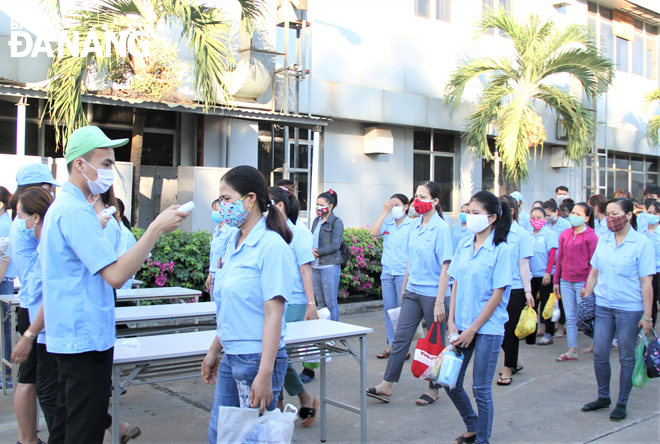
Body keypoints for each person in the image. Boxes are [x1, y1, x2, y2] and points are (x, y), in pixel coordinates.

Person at [41, 126, 187, 444]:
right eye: (105, 163)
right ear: (80, 164)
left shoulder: (65, 209)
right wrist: (155, 230)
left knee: (67, 425)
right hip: (85, 337)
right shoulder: (76, 211)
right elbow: (116, 275)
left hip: (75, 335)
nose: (110, 170)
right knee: (84, 430)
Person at [202, 166, 295, 443]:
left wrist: (265, 374)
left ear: (250, 198)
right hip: (232, 356)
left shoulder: (271, 246)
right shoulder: (232, 240)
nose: (222, 206)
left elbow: (273, 314)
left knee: (252, 438)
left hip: (256, 359)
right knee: (220, 434)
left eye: (227, 199)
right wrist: (213, 351)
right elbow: (232, 308)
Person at [366, 181, 452, 406]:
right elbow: (410, 260)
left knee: (434, 342)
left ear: (434, 202)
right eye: (416, 196)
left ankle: (433, 389)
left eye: (422, 197)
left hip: (434, 294)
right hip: (413, 291)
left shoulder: (441, 229)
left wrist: (441, 302)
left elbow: (446, 266)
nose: (417, 201)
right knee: (400, 338)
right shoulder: (414, 226)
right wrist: (405, 286)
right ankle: (387, 384)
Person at [445, 190, 513, 444]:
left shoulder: (501, 249)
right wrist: (452, 322)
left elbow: (497, 295)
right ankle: (472, 424)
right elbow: (455, 282)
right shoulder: (463, 243)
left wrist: (472, 329)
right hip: (460, 324)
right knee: (449, 382)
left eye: (476, 213)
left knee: (481, 389)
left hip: (487, 328)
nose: (469, 217)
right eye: (468, 212)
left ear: (492, 218)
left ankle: (482, 439)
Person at [581, 198, 655, 421]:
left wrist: (648, 316)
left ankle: (622, 402)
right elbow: (594, 272)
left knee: (626, 358)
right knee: (600, 353)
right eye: (608, 214)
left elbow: (646, 283)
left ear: (629, 215)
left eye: (616, 214)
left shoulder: (642, 244)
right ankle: (604, 397)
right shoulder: (604, 240)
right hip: (603, 306)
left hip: (630, 309)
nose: (611, 219)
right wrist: (587, 296)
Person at [8, 164, 62, 444]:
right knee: (43, 384)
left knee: (32, 380)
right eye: (46, 186)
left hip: (34, 307)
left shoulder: (26, 221)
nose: (50, 192)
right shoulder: (29, 224)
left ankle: (26, 438)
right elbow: (42, 274)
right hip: (37, 310)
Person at [269, 186, 319, 425]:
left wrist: (311, 304)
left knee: (278, 358)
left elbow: (305, 271)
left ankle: (282, 408)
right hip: (273, 302)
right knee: (275, 358)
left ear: (279, 205)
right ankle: (295, 402)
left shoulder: (299, 232)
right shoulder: (269, 231)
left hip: (295, 302)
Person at [552, 203, 598, 362]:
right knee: (570, 317)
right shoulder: (565, 234)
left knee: (586, 316)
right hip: (565, 281)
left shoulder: (592, 236)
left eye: (578, 214)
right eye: (573, 213)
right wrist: (556, 279)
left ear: (586, 218)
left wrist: (587, 286)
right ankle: (572, 350)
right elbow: (560, 258)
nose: (574, 216)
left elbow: (594, 264)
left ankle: (596, 344)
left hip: (582, 282)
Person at [497, 195, 534, 387]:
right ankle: (512, 361)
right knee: (498, 328)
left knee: (509, 330)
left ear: (510, 211)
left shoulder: (522, 234)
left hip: (515, 288)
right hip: (496, 288)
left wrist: (528, 292)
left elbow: (524, 264)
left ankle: (508, 367)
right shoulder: (494, 231)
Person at [369, 194, 412, 359]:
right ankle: (391, 344)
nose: (393, 208)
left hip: (403, 273)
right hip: (387, 272)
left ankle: (403, 346)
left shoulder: (412, 225)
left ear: (406, 207)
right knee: (389, 310)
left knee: (404, 311)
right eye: (391, 204)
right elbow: (373, 232)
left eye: (397, 204)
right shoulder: (387, 222)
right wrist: (384, 211)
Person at [310, 189, 343, 322]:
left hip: (329, 265)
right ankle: (324, 333)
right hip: (315, 266)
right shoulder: (316, 221)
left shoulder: (336, 222)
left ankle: (332, 334)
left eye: (321, 205)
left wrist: (317, 252)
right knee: (321, 304)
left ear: (330, 206)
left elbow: (335, 245)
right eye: (317, 204)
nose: (318, 207)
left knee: (331, 303)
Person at [528, 206, 558, 345]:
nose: (536, 221)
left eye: (539, 218)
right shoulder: (528, 234)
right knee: (531, 304)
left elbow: (552, 254)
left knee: (547, 305)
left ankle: (548, 333)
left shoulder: (549, 234)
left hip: (545, 274)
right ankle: (530, 331)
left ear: (545, 219)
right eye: (533, 218)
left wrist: (548, 272)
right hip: (531, 275)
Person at [205, 199, 236, 299]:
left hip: (223, 276)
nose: (214, 212)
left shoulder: (232, 230)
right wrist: (210, 274)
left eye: (216, 209)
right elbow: (213, 254)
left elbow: (229, 255)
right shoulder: (216, 230)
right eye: (213, 209)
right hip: (214, 275)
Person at [0, 186, 14, 390]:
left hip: (3, 280)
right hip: (4, 280)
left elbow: (5, 258)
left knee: (5, 330)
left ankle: (6, 375)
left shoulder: (4, 225)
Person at [641, 200, 660, 327]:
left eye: (656, 213)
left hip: (656, 271)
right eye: (649, 212)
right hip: (642, 271)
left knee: (651, 303)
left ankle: (650, 331)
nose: (652, 215)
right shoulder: (641, 231)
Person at [115, 198, 138, 289]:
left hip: (120, 289)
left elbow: (121, 265)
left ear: (117, 213)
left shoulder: (125, 235)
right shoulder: (115, 231)